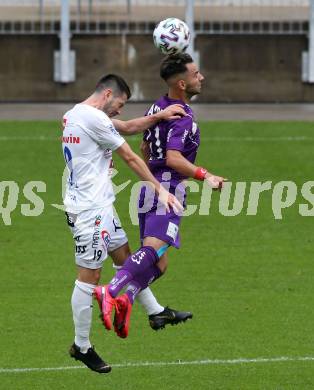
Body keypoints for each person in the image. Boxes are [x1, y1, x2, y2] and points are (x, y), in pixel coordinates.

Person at [62, 73, 188, 374]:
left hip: (99, 206)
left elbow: (128, 127)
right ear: (107, 94)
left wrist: (159, 115)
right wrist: (160, 191)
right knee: (89, 277)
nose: (121, 109)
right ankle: (81, 346)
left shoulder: (73, 114)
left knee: (126, 258)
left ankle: (155, 311)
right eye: (120, 102)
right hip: (89, 210)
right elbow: (131, 157)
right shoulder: (95, 119)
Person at [96, 53, 227, 340]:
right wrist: (207, 176)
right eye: (195, 74)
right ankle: (112, 290)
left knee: (159, 263)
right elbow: (174, 158)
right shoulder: (182, 117)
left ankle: (132, 302)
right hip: (167, 189)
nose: (201, 77)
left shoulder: (160, 105)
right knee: (154, 252)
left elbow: (145, 146)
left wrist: (152, 179)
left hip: (150, 187)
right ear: (182, 83)